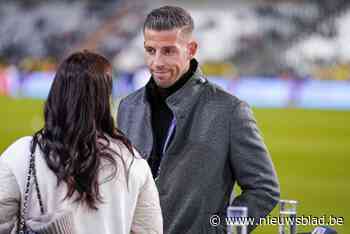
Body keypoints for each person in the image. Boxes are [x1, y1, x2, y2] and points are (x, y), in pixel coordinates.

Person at [117, 6, 280, 233]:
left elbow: (264, 189)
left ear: (191, 49)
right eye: (150, 50)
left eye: (168, 51)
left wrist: (219, 230)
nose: (157, 62)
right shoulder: (128, 107)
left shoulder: (230, 111)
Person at [0, 51, 163, 234]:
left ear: (56, 93)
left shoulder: (20, 155)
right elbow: (150, 230)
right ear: (105, 98)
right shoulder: (132, 162)